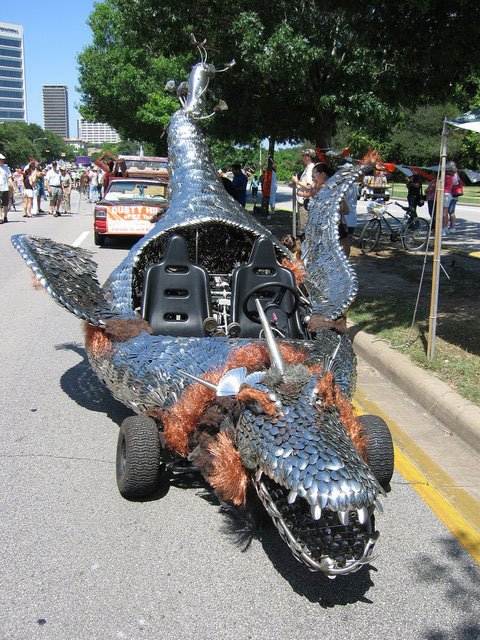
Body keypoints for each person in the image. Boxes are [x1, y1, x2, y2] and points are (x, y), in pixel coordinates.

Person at [0, 153, 13, 223]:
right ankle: (0, 217)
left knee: (5, 204)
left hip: (5, 187)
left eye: (2, 160)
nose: (2, 161)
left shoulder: (6, 168)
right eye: (1, 160)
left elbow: (9, 177)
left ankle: (5, 216)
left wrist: (13, 185)